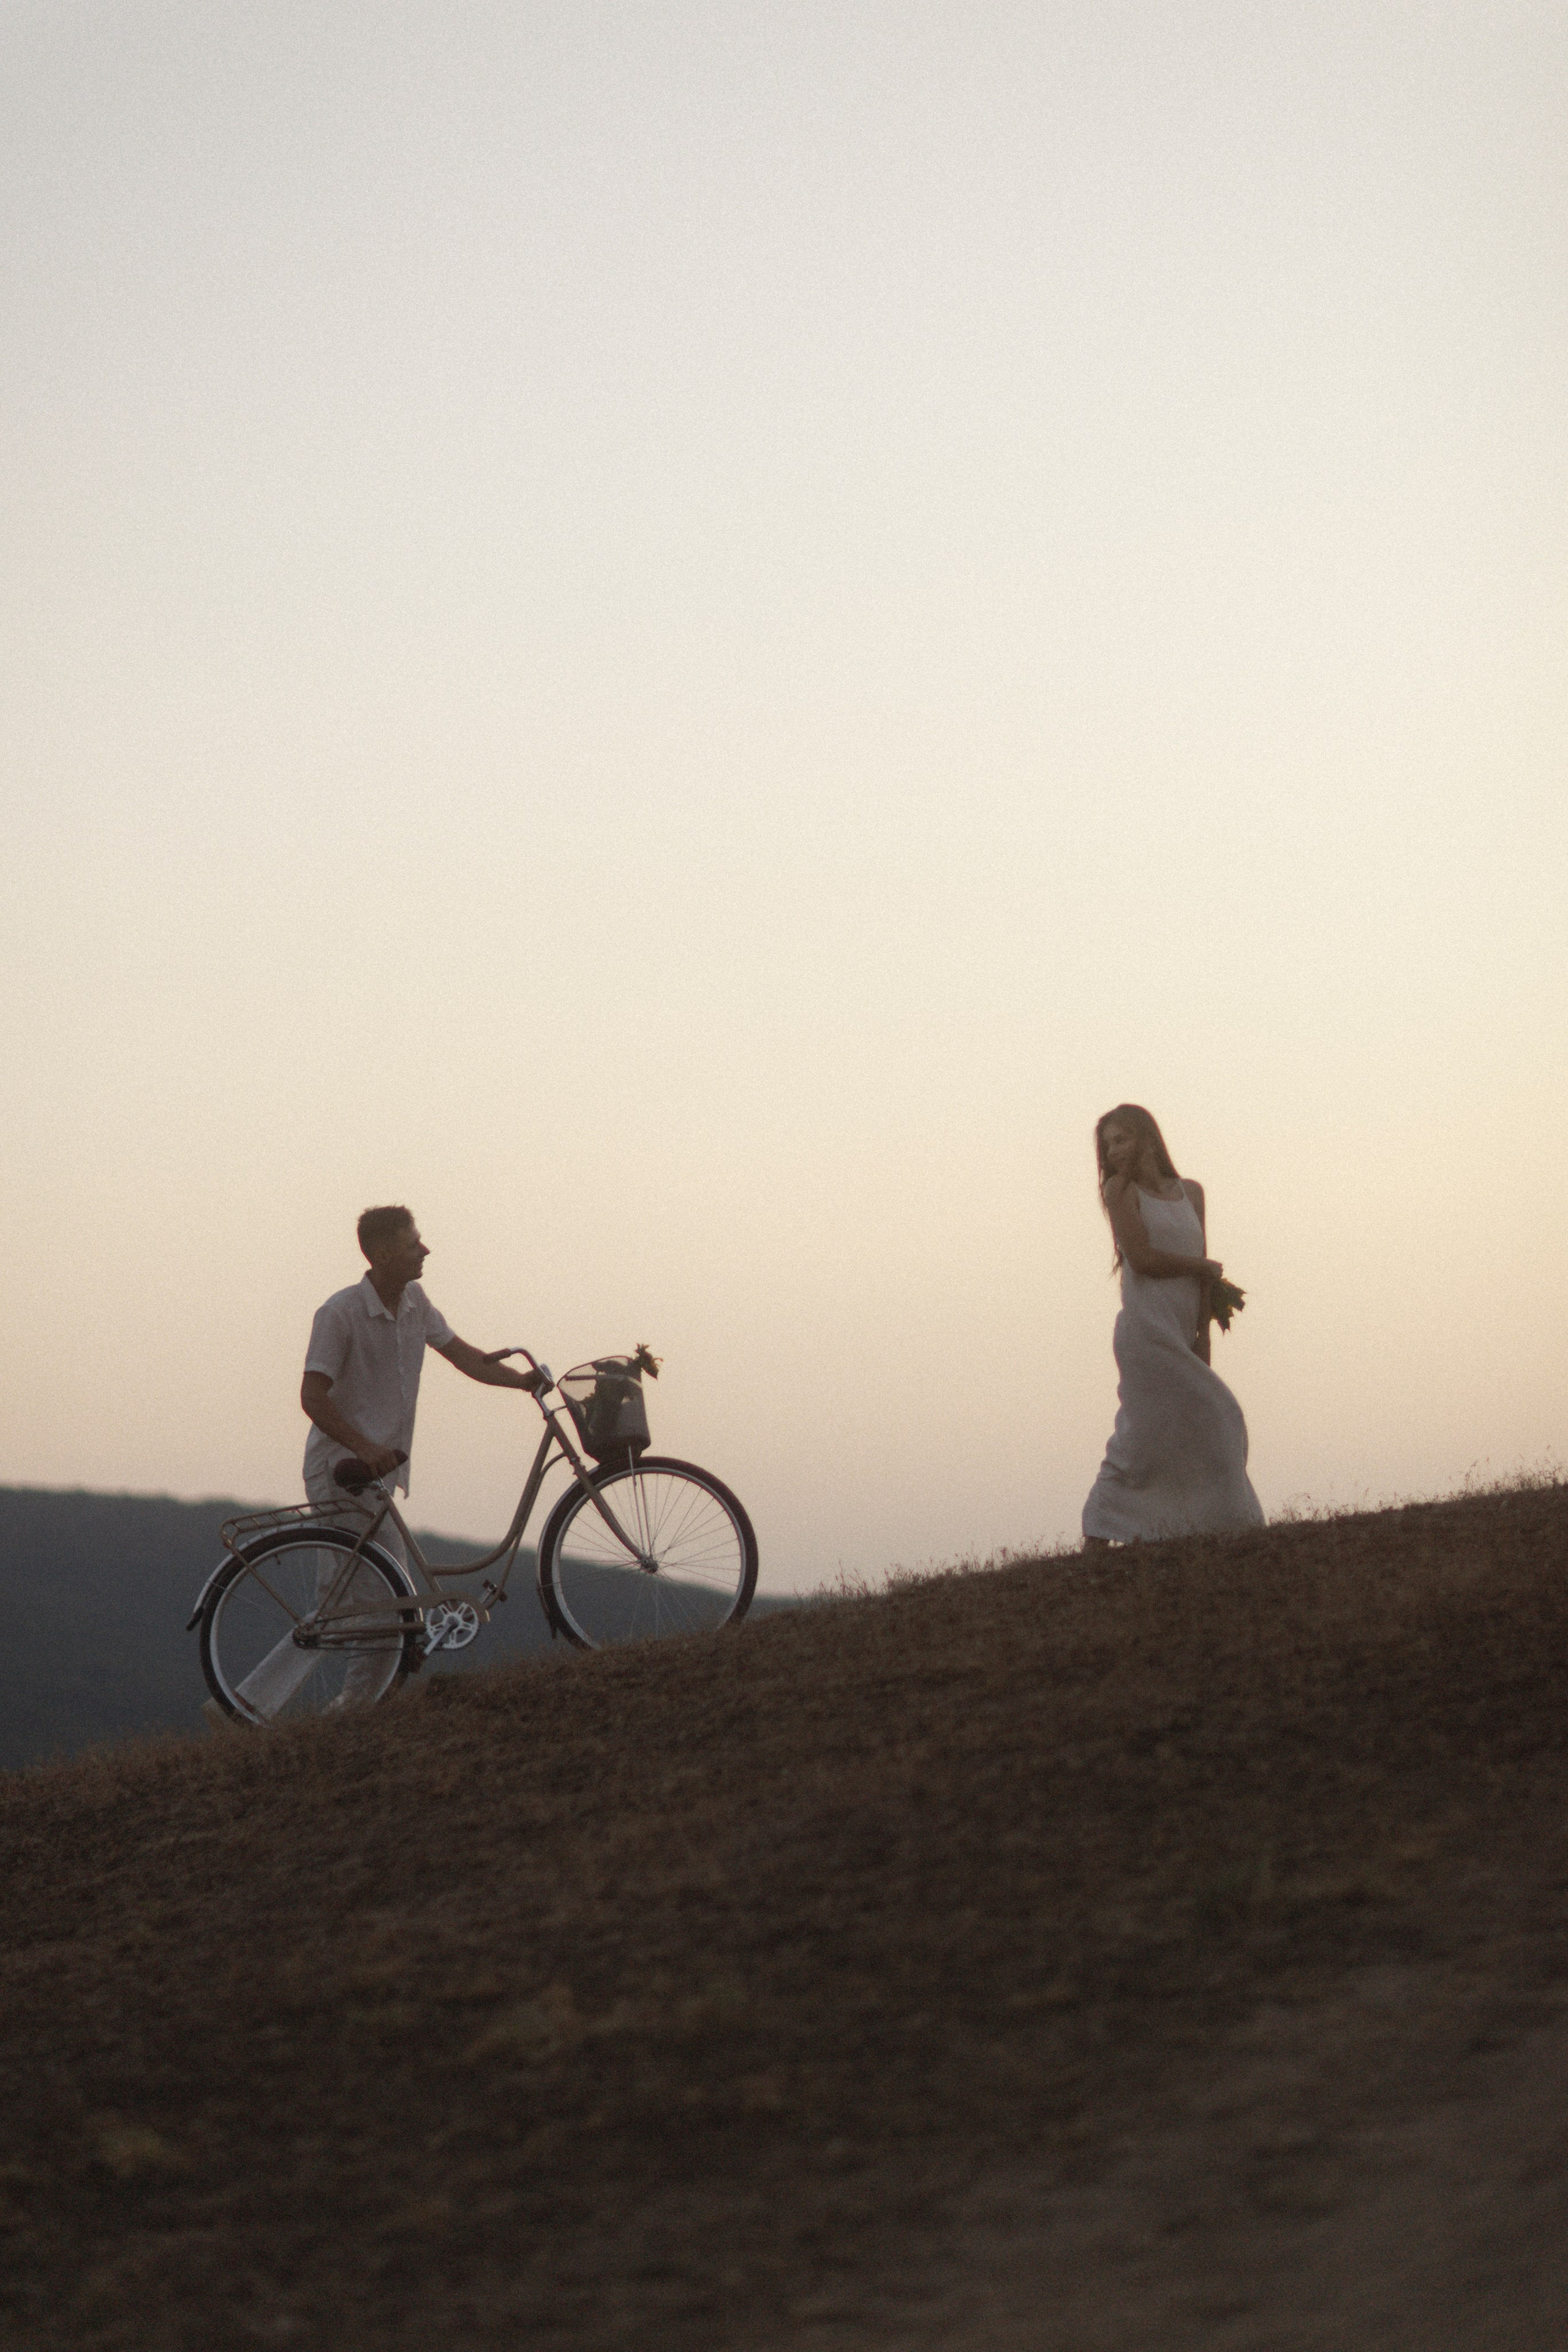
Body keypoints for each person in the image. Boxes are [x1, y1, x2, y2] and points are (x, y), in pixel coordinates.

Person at [295, 1204, 540, 1705]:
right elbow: (312, 1398)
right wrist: (366, 1447)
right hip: (342, 1472)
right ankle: (354, 1710)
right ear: (384, 1254)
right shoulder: (340, 1313)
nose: (425, 1250)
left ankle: (264, 1703)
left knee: (350, 1605)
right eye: (413, 1244)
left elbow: (465, 1356)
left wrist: (522, 1382)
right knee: (389, 1604)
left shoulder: (415, 1303)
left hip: (376, 1474)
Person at [1082, 1106, 1264, 1545]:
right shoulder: (1118, 1190)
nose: (1113, 1151)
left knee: (1200, 1427)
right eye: (1108, 1144)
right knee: (1160, 1434)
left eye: (1122, 1139)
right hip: (1146, 1334)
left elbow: (1205, 1281)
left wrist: (1202, 1337)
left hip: (1181, 1333)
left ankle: (1218, 1526)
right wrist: (1200, 1266)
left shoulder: (1191, 1194)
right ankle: (1099, 1529)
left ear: (1147, 1139)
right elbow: (1142, 1259)